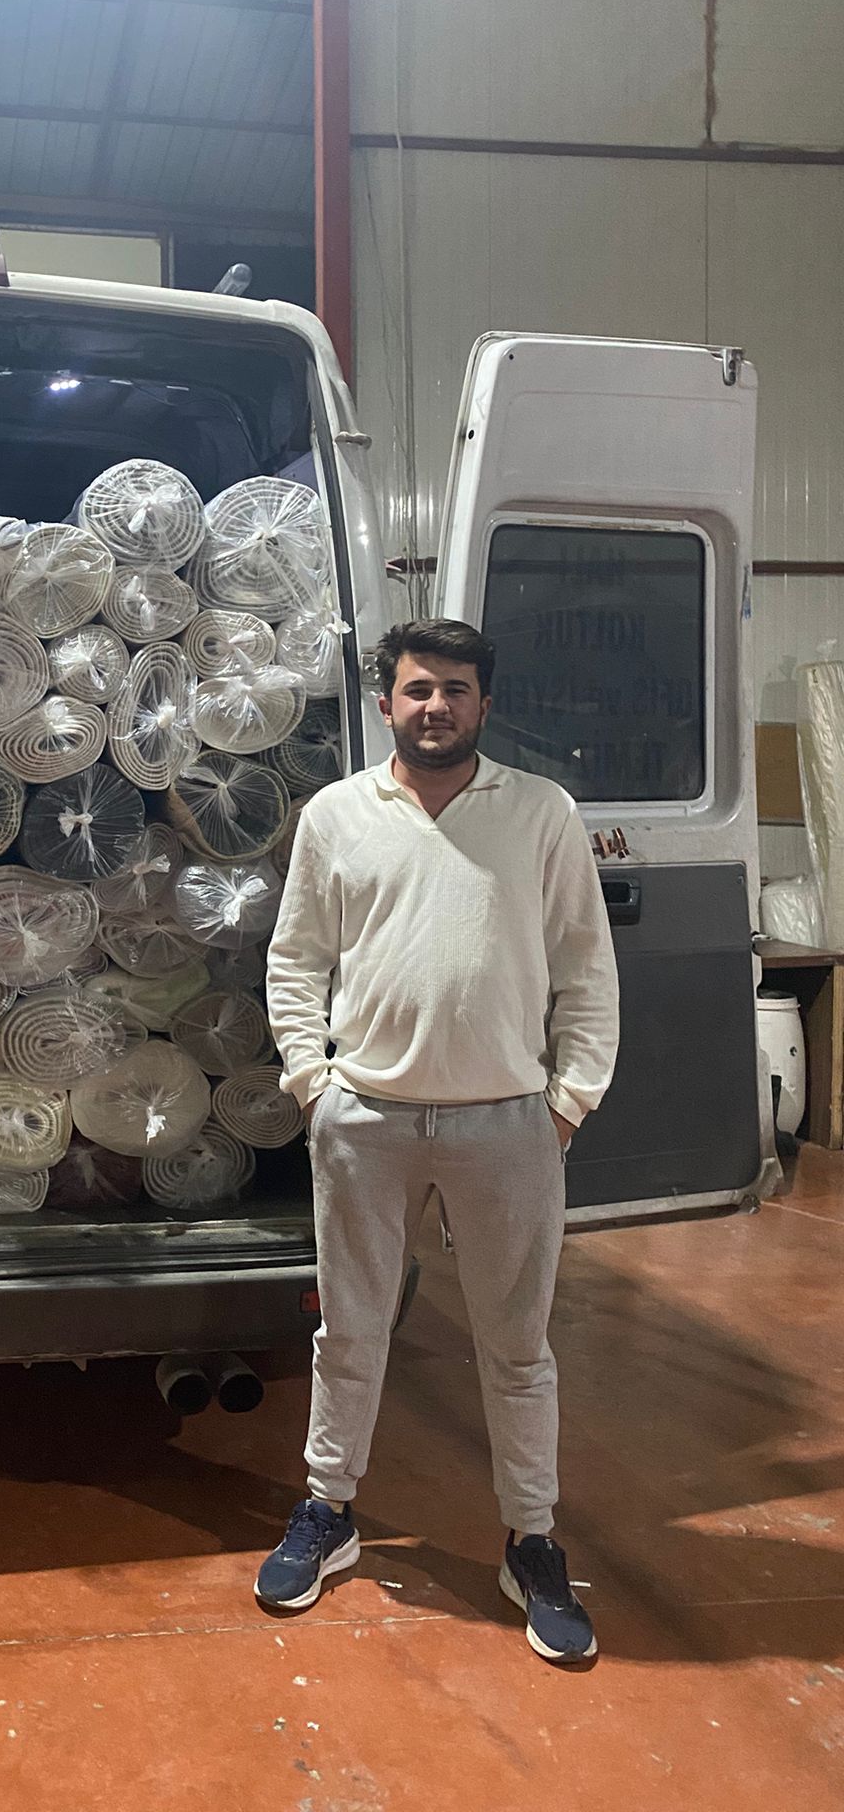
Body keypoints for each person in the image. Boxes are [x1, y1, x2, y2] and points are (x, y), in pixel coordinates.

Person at [259, 618, 619, 1663]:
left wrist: (568, 1103)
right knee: (350, 1330)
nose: (436, 706)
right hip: (364, 1122)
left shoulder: (542, 812)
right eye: (418, 689)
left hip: (507, 1123)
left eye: (456, 689)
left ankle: (532, 1541)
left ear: (484, 705)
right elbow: (296, 959)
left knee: (516, 1346)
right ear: (386, 703)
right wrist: (313, 1083)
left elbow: (586, 967)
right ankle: (329, 1509)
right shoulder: (338, 816)